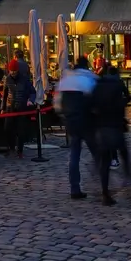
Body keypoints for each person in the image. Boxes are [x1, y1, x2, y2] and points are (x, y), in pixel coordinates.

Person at [91, 64, 131, 205]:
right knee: (124, 155)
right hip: (115, 124)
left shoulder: (98, 85)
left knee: (104, 161)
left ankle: (105, 192)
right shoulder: (118, 84)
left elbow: (91, 104)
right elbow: (127, 97)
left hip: (101, 126)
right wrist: (121, 106)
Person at [54, 56, 98, 199]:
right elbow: (96, 100)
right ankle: (99, 185)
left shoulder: (66, 79)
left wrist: (64, 116)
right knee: (97, 154)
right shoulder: (90, 78)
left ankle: (75, 188)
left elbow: (57, 104)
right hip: (87, 121)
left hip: (71, 121)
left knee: (74, 155)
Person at [3, 59, 36, 159]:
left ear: (17, 70)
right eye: (11, 71)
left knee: (21, 130)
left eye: (14, 71)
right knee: (8, 129)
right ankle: (12, 148)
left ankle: (20, 150)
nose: (12, 73)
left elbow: (33, 92)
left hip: (21, 107)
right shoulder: (7, 79)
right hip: (10, 107)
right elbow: (5, 94)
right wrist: (2, 107)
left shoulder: (24, 79)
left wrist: (30, 100)